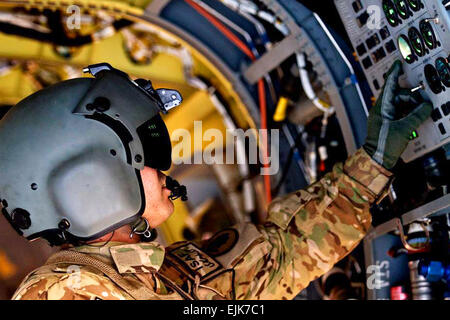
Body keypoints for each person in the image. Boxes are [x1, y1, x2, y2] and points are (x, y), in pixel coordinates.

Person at [1, 61, 431, 300]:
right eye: (146, 158)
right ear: (93, 185)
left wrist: (372, 163)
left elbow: (280, 256)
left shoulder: (160, 271)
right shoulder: (61, 295)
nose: (164, 169)